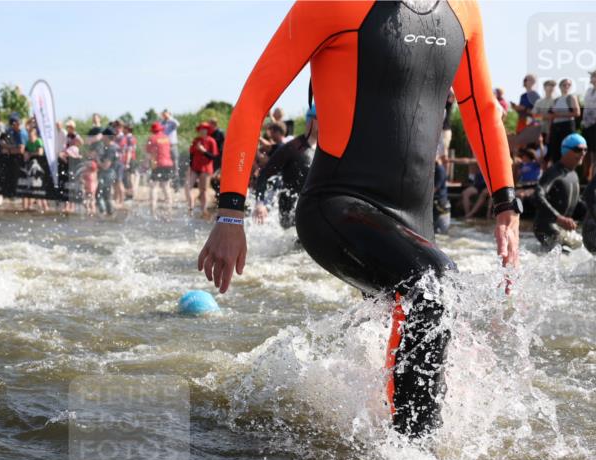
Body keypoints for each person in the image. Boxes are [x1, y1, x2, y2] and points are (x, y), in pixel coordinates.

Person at [199, 0, 518, 437]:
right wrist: (230, 215)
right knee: (435, 285)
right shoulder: (330, 4)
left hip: (413, 220)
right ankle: (414, 459)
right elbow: (255, 100)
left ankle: (369, 421)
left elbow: (481, 108)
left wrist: (506, 204)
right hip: (337, 204)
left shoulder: (464, 11)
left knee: (426, 314)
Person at [253, 106, 316, 228]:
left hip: (312, 212)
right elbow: (264, 175)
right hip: (289, 213)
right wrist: (260, 203)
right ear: (311, 120)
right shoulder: (292, 147)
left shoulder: (325, 150)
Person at [532, 133, 587, 251]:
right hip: (546, 225)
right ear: (566, 151)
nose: (582, 153)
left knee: (584, 247)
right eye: (578, 149)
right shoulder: (554, 172)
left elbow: (576, 202)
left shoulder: (574, 174)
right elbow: (537, 194)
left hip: (562, 228)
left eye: (585, 150)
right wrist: (559, 218)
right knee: (566, 253)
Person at [187, 122, 218, 217]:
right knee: (188, 186)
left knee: (203, 190)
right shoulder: (196, 140)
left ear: (207, 131)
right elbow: (191, 155)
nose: (202, 131)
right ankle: (191, 206)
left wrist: (204, 151)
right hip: (195, 168)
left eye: (204, 129)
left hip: (206, 168)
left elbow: (214, 156)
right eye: (201, 129)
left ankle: (203, 210)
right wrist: (190, 167)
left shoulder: (211, 141)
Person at [546, 78, 581, 163]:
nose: (567, 86)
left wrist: (559, 115)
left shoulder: (571, 97)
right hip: (556, 127)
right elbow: (552, 116)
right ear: (560, 86)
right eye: (564, 85)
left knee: (567, 149)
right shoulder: (556, 100)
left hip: (567, 125)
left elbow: (577, 113)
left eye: (569, 85)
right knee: (555, 151)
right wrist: (549, 132)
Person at [146, 121, 174, 216]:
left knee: (154, 187)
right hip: (168, 163)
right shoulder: (166, 138)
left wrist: (147, 165)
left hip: (157, 164)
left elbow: (149, 153)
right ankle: (169, 210)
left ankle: (153, 211)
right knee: (166, 186)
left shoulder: (152, 138)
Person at [95, 127, 119, 216]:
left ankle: (106, 213)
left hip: (108, 173)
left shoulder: (111, 149)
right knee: (105, 194)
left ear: (107, 137)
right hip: (109, 173)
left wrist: (97, 159)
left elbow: (105, 166)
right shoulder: (109, 147)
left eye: (103, 135)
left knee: (101, 194)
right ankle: (109, 214)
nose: (102, 137)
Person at [581, 70, 596, 182]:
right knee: (587, 153)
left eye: (593, 76)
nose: (591, 77)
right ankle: (587, 177)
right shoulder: (589, 91)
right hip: (587, 125)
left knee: (594, 153)